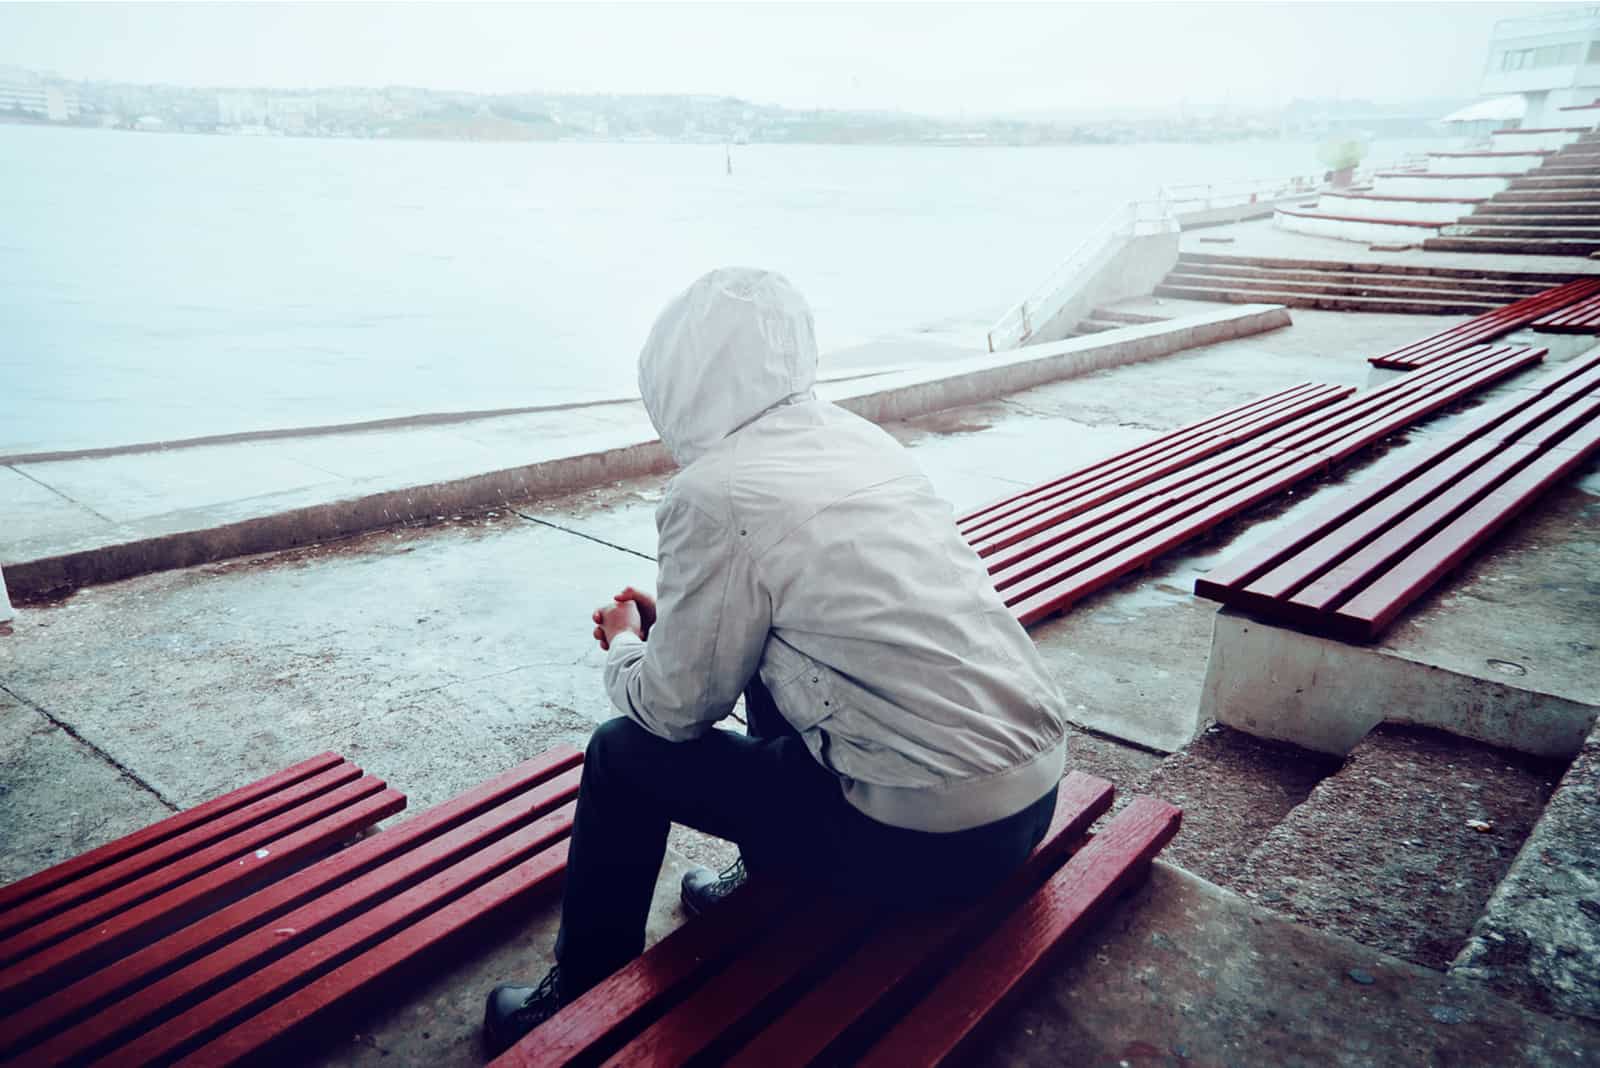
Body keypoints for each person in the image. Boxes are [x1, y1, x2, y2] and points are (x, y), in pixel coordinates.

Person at [483, 267, 1068, 1055]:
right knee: (758, 658)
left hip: (922, 844)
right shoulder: (860, 440)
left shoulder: (715, 490)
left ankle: (581, 990)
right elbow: (805, 625)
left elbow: (670, 712)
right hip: (1030, 801)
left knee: (620, 754)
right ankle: (774, 873)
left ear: (678, 377)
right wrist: (681, 632)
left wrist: (627, 640)